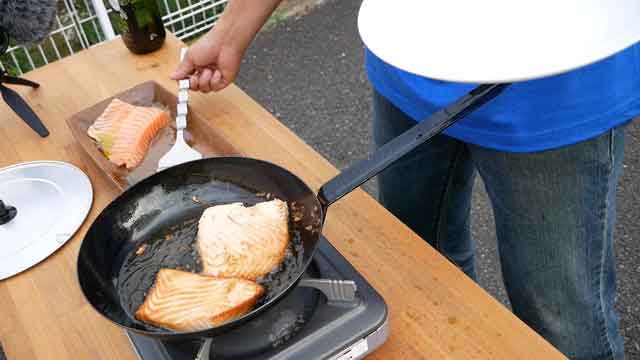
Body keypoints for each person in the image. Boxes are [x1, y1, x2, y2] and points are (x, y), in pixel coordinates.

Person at [171, 2, 638, 359]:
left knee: (561, 324)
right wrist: (231, 31)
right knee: (418, 271)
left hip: (557, 83)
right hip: (410, 60)